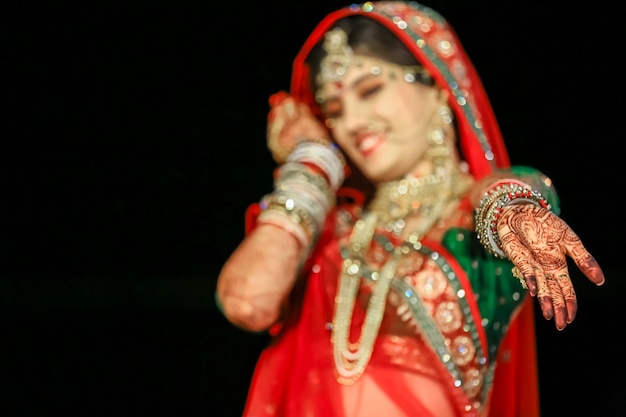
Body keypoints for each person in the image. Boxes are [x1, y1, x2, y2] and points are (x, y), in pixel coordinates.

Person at [216, 2, 605, 416]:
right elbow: (246, 303)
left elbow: (504, 189)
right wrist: (311, 163)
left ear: (437, 86)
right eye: (333, 111)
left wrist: (511, 206)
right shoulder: (331, 234)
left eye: (370, 89)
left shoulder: (470, 227)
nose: (353, 122)